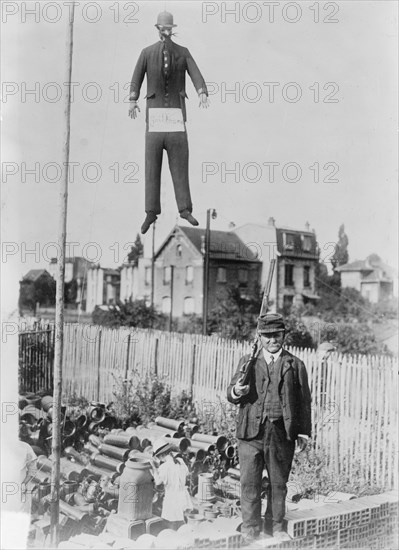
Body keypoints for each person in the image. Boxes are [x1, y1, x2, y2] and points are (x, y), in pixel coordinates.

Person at [227, 313, 311, 543]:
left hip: (281, 434)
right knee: (250, 483)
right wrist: (238, 391)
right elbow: (231, 394)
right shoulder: (248, 361)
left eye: (277, 335)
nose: (272, 340)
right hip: (250, 434)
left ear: (284, 336)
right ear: (260, 337)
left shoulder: (295, 364)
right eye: (267, 336)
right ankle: (250, 529)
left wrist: (303, 431)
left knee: (278, 484)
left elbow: (304, 401)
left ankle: (275, 526)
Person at [128, 11, 209, 234]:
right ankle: (151, 212)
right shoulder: (146, 53)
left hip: (175, 118)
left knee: (180, 164)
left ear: (173, 29)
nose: (166, 31)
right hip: (154, 120)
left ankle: (185, 209)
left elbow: (195, 73)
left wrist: (202, 92)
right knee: (151, 167)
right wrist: (132, 99)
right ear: (158, 29)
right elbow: (137, 77)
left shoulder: (183, 53)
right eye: (163, 28)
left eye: (169, 28)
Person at [150, 439, 193, 530]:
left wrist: (153, 469)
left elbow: (158, 482)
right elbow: (186, 474)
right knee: (182, 523)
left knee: (170, 526)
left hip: (172, 498)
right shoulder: (180, 461)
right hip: (183, 496)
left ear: (161, 455)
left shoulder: (164, 467)